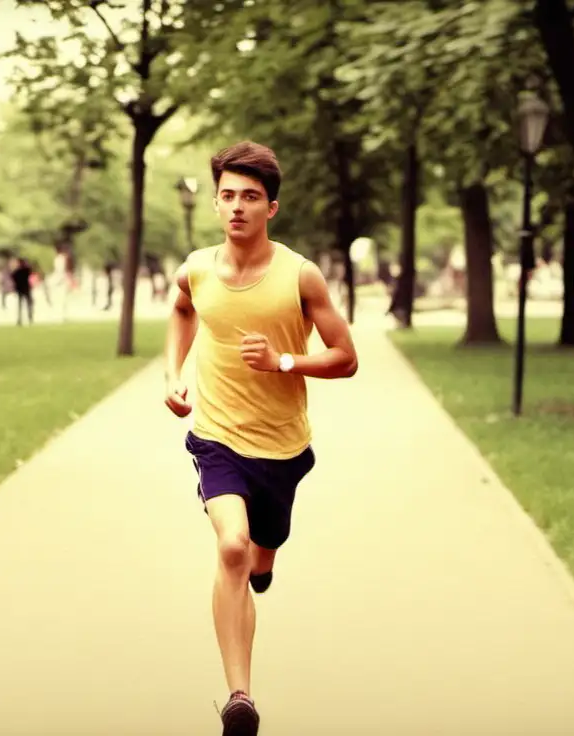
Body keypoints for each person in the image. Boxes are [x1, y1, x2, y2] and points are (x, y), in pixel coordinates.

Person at [163, 141, 359, 735]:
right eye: (227, 196)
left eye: (250, 197)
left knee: (263, 546)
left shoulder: (300, 275)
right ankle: (239, 698)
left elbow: (346, 358)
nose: (237, 207)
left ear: (271, 207)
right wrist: (174, 373)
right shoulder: (196, 268)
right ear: (216, 204)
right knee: (231, 548)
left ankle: (265, 560)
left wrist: (283, 362)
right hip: (216, 437)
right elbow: (181, 310)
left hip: (283, 448)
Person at [11, 258, 33, 326]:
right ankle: (29, 318)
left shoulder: (17, 271)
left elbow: (12, 276)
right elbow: (30, 271)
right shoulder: (25, 270)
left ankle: (20, 319)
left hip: (20, 289)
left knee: (20, 305)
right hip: (25, 288)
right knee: (28, 304)